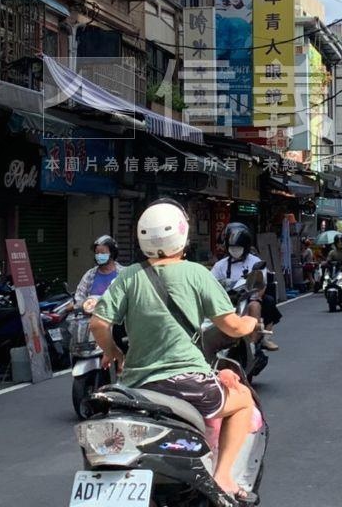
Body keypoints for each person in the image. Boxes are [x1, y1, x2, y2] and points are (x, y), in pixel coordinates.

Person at [90, 199, 261, 503]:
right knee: (244, 400)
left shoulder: (128, 277)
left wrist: (115, 353)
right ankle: (223, 476)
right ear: (182, 235)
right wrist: (251, 322)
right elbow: (232, 327)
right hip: (187, 383)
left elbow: (98, 325)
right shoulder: (196, 273)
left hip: (135, 387)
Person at [212, 222, 280, 351]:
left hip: (248, 297)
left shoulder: (255, 262)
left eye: (238, 247)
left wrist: (256, 297)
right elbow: (211, 282)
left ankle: (254, 343)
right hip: (227, 299)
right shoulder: (220, 265)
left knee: (255, 306)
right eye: (232, 247)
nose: (235, 250)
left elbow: (262, 282)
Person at [74, 235, 123, 304]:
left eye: (103, 253)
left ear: (112, 254)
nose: (99, 256)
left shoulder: (124, 274)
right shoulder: (90, 275)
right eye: (97, 253)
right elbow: (79, 298)